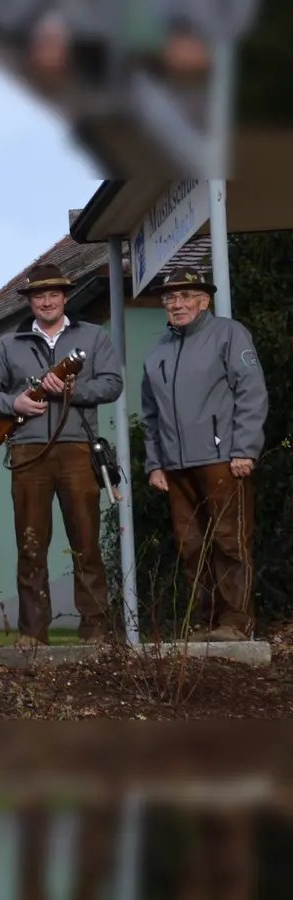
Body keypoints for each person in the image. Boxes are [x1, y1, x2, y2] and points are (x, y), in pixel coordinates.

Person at [0, 263, 123, 647]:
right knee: (31, 544)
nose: (46, 301)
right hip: (27, 451)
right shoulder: (9, 343)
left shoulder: (93, 336)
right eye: (39, 295)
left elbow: (112, 384)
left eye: (53, 294)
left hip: (77, 449)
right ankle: (33, 632)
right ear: (30, 301)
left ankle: (95, 629)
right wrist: (14, 401)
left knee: (86, 542)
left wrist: (70, 392)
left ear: (65, 296)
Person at [139, 266, 267, 642]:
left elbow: (251, 392)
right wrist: (154, 462)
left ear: (203, 301)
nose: (176, 304)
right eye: (169, 298)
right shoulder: (158, 349)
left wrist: (245, 448)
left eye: (184, 297)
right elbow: (150, 413)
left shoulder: (229, 334)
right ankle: (206, 621)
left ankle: (236, 621)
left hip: (222, 458)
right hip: (175, 466)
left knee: (229, 540)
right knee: (191, 545)